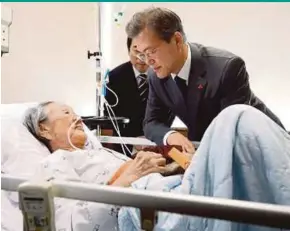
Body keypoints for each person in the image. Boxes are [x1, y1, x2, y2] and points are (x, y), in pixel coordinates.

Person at [21, 101, 290, 231]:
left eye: (74, 111)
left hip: (166, 189)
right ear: (44, 129)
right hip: (142, 209)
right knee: (236, 119)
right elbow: (73, 222)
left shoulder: (101, 153)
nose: (77, 116)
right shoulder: (55, 162)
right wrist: (131, 176)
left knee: (241, 142)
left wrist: (172, 168)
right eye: (66, 113)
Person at [125, 7, 285, 153]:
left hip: (265, 147)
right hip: (214, 148)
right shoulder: (157, 76)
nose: (147, 61)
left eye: (151, 51)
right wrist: (170, 135)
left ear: (177, 40)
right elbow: (152, 122)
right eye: (141, 54)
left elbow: (233, 131)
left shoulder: (226, 68)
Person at [105, 37, 150, 155]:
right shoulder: (115, 77)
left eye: (146, 51)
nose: (141, 57)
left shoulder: (163, 74)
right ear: (129, 50)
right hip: (124, 144)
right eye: (136, 51)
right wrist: (133, 141)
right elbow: (110, 115)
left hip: (155, 142)